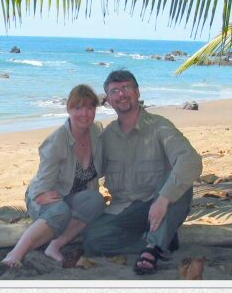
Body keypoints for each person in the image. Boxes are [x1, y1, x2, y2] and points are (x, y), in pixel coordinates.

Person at [83, 70, 202, 275]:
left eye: (126, 88)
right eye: (115, 91)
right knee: (92, 240)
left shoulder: (159, 126)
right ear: (109, 100)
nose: (121, 94)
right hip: (126, 210)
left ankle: (152, 248)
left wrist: (163, 200)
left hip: (159, 204)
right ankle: (161, 239)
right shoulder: (107, 135)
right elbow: (91, 171)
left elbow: (191, 160)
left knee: (181, 184)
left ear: (137, 92)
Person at [1, 84, 106, 267]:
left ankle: (54, 246)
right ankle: (15, 254)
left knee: (97, 201)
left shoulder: (97, 133)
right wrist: (43, 195)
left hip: (71, 196)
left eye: (90, 107)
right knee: (60, 211)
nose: (85, 113)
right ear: (68, 109)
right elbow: (40, 188)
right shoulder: (56, 141)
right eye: (78, 107)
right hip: (43, 194)